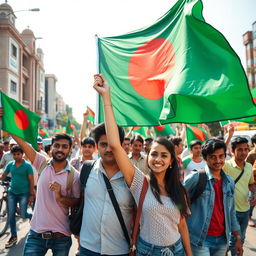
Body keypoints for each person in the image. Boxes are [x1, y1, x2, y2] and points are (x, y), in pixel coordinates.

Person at [93, 74, 192, 256]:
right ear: (148, 157)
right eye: (154, 154)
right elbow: (115, 145)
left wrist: (189, 254)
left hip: (176, 250)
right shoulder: (140, 183)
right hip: (147, 251)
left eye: (164, 155)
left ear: (171, 161)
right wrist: (106, 97)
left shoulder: (179, 189)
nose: (158, 159)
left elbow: (182, 224)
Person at [8, 133, 81, 256]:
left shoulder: (74, 175)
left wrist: (60, 197)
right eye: (57, 146)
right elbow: (23, 144)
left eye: (64, 146)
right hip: (36, 235)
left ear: (70, 150)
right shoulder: (41, 162)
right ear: (51, 147)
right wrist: (8, 123)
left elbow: (77, 201)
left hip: (61, 237)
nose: (60, 149)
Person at [79, 123, 134, 256]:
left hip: (120, 250)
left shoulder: (132, 177)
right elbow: (79, 201)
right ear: (97, 147)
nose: (109, 149)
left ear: (120, 146)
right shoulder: (86, 169)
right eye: (103, 145)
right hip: (88, 248)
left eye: (112, 145)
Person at [184, 139, 242, 256]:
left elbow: (231, 212)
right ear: (205, 158)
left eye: (221, 156)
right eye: (213, 157)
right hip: (199, 239)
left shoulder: (229, 182)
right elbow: (179, 201)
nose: (218, 161)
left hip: (222, 240)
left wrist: (237, 236)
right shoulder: (196, 177)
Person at [223, 137, 256, 256]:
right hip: (231, 211)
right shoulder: (226, 166)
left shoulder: (248, 166)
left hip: (245, 210)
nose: (244, 152)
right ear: (232, 151)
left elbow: (251, 183)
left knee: (241, 238)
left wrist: (254, 194)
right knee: (234, 240)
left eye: (246, 149)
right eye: (240, 149)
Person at [0, 145, 34, 248]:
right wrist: (1, 178)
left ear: (22, 154)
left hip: (24, 193)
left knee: (23, 215)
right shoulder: (10, 164)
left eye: (18, 154)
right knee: (11, 215)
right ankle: (13, 236)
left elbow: (31, 180)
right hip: (12, 193)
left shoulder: (27, 166)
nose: (16, 156)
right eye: (14, 154)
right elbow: (3, 175)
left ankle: (32, 216)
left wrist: (31, 194)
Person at [246, 134, 256, 227]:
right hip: (253, 182)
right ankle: (249, 217)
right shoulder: (251, 154)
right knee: (252, 201)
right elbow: (247, 169)